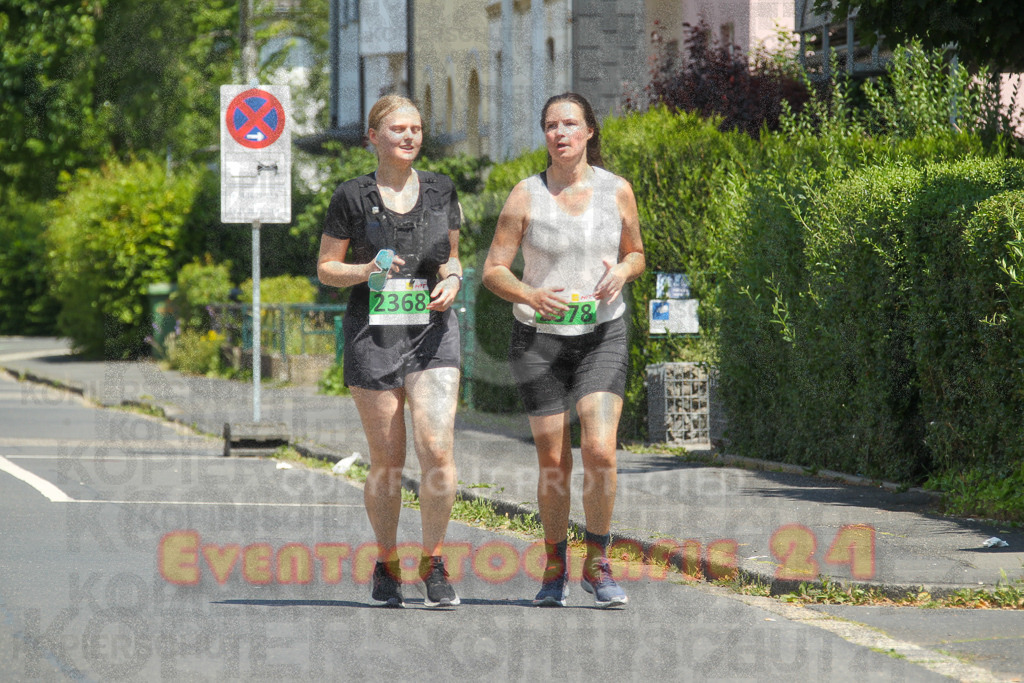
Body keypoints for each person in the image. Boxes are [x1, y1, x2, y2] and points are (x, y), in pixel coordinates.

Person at [482, 92, 645, 608]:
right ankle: (555, 565)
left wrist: (622, 270)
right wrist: (530, 293)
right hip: (539, 341)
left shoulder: (617, 190)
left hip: (602, 335)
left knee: (599, 449)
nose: (560, 134)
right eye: (551, 125)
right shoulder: (524, 195)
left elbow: (637, 253)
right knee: (554, 461)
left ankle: (597, 562)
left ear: (590, 131)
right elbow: (492, 270)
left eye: (570, 124)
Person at [317, 94, 464, 608]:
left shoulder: (442, 189)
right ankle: (386, 562)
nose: (410, 136)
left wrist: (454, 279)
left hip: (432, 332)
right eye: (398, 129)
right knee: (387, 459)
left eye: (417, 129)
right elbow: (327, 269)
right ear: (373, 138)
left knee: (437, 449)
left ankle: (435, 562)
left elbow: (451, 258)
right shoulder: (351, 197)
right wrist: (366, 271)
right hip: (373, 336)